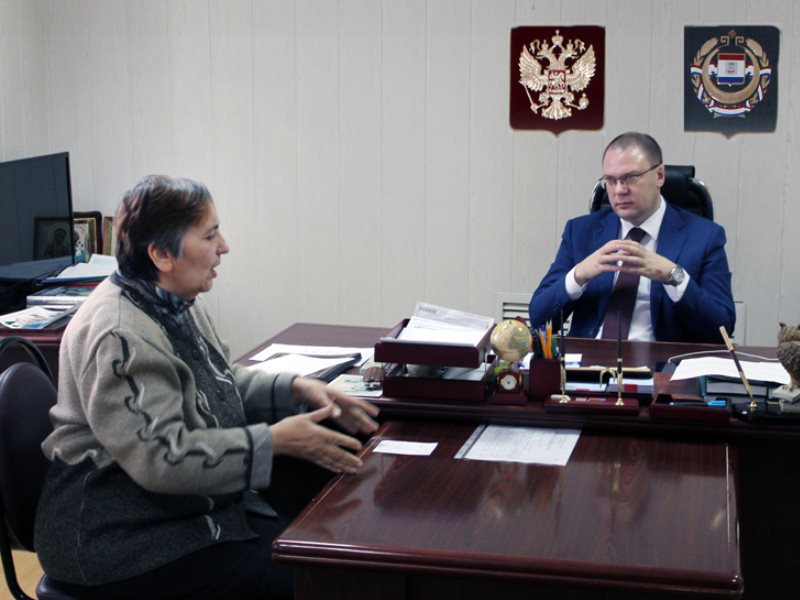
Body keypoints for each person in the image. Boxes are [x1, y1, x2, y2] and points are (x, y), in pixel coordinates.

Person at [34, 175, 380, 599]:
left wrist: (296, 389)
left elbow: (219, 379)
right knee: (309, 581)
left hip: (174, 509)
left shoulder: (171, 299)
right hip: (118, 538)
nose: (224, 246)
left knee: (324, 517)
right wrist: (272, 441)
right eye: (210, 235)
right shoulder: (119, 334)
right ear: (162, 254)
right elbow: (163, 458)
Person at [529, 132, 735, 343]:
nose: (619, 190)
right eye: (611, 180)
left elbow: (721, 329)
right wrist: (578, 275)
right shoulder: (581, 231)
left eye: (630, 178)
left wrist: (673, 276)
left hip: (662, 368)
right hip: (587, 367)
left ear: (660, 176)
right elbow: (539, 320)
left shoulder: (705, 236)